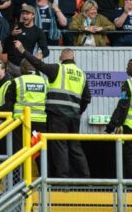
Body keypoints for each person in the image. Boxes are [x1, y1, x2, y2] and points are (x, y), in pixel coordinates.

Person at [15, 42, 90, 178]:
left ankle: (62, 178)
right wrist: (78, 112)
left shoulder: (58, 68)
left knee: (59, 145)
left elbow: (38, 64)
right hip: (73, 117)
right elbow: (87, 98)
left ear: (62, 57)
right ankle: (85, 177)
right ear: (74, 58)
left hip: (57, 115)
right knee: (75, 147)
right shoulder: (82, 75)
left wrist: (23, 51)